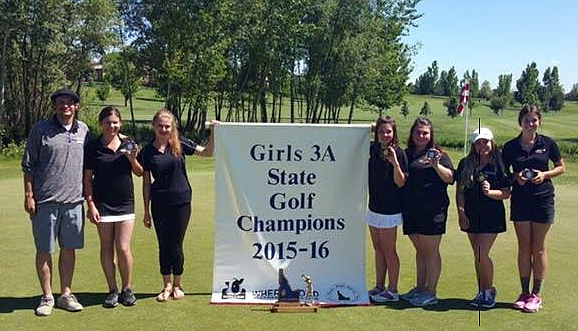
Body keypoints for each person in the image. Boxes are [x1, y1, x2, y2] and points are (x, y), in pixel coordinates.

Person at [22, 89, 90, 316]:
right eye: (61, 103)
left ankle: (66, 294)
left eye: (70, 103)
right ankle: (47, 296)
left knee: (68, 249)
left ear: (77, 106)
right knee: (44, 249)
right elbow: (28, 165)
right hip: (45, 202)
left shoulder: (83, 130)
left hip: (73, 202)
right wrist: (29, 195)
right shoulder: (40, 130)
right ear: (54, 106)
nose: (65, 106)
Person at [138, 110, 218, 302]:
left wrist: (214, 132)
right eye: (160, 126)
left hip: (181, 201)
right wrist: (146, 211)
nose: (164, 129)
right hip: (159, 203)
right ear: (154, 126)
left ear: (172, 126)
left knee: (176, 244)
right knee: (163, 244)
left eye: (167, 126)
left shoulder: (180, 144)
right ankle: (166, 285)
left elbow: (208, 153)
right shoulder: (147, 151)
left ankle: (177, 284)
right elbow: (146, 182)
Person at [502, 105, 565, 313]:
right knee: (523, 247)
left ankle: (536, 295)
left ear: (539, 122)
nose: (530, 124)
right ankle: (524, 293)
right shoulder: (510, 147)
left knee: (538, 247)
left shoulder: (548, 143)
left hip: (543, 199)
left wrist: (545, 175)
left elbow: (560, 167)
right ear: (520, 122)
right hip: (520, 200)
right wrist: (515, 178)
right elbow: (503, 174)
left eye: (534, 120)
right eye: (527, 120)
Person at [83, 106, 143, 308]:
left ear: (120, 123)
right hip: (103, 204)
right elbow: (87, 179)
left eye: (115, 122)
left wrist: (132, 158)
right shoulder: (92, 147)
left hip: (125, 203)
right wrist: (91, 205)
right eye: (108, 122)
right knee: (107, 247)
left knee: (123, 247)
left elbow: (139, 172)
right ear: (101, 124)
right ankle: (112, 290)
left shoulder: (129, 143)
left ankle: (127, 289)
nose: (112, 126)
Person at [401, 117, 454, 307]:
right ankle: (420, 288)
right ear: (412, 134)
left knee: (430, 252)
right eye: (418, 132)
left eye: (425, 133)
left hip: (433, 210)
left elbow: (450, 178)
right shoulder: (407, 154)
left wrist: (435, 165)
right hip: (411, 209)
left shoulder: (439, 154)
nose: (421, 136)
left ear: (431, 135)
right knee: (420, 251)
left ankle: (431, 292)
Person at [455, 127, 510, 308]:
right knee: (477, 255)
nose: (482, 145)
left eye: (485, 141)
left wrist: (491, 192)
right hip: (470, 215)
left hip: (492, 216)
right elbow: (460, 191)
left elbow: (506, 193)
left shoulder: (499, 163)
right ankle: (482, 291)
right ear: (473, 145)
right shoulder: (465, 163)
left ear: (492, 142)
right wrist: (461, 212)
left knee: (481, 253)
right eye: (478, 142)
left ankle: (489, 290)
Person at [366, 116, 407, 303]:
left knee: (389, 250)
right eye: (381, 131)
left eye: (388, 131)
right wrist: (371, 127)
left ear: (394, 133)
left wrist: (395, 163)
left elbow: (400, 183)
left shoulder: (399, 153)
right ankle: (380, 286)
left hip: (390, 210)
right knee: (378, 249)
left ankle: (393, 290)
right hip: (373, 207)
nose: (385, 135)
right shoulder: (373, 150)